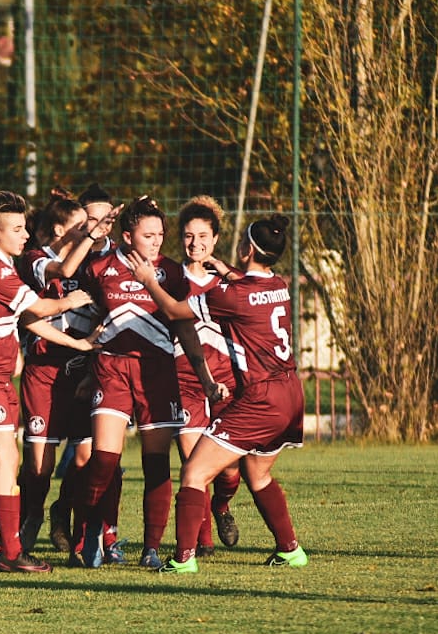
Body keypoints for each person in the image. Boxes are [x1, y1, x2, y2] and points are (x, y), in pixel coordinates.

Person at [132, 215, 309, 573]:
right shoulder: (279, 284)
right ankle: (291, 550)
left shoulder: (234, 296)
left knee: (195, 473)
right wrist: (226, 271)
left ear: (246, 249)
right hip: (292, 393)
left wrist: (149, 281)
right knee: (257, 475)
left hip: (261, 398)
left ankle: (183, 560)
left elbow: (174, 311)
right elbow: (249, 285)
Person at [0, 191, 99, 574]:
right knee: (8, 459)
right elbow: (42, 308)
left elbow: (30, 321)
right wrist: (71, 301)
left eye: (25, 228)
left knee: (2, 460)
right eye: (16, 229)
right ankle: (12, 552)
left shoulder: (3, 267)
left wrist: (76, 341)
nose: (25, 236)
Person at [69, 196, 217, 570]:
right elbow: (84, 310)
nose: (156, 241)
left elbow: (185, 326)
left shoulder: (170, 272)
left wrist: (205, 378)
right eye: (147, 235)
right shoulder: (100, 267)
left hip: (157, 373)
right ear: (127, 236)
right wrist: (87, 366)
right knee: (104, 459)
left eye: (160, 234)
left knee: (156, 464)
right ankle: (90, 534)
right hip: (112, 369)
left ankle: (151, 546)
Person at [15, 190, 118, 555]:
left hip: (83, 372)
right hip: (43, 372)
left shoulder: (94, 265)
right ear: (60, 228)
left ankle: (66, 518)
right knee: (39, 466)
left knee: (86, 457)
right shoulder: (35, 259)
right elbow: (60, 274)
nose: (91, 231)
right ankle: (31, 517)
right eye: (82, 226)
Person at [172, 196, 242, 557]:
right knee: (192, 463)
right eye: (188, 235)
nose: (195, 243)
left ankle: (222, 506)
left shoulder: (229, 281)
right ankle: (203, 540)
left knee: (229, 469)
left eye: (202, 236)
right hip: (184, 383)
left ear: (215, 239)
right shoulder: (169, 278)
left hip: (226, 382)